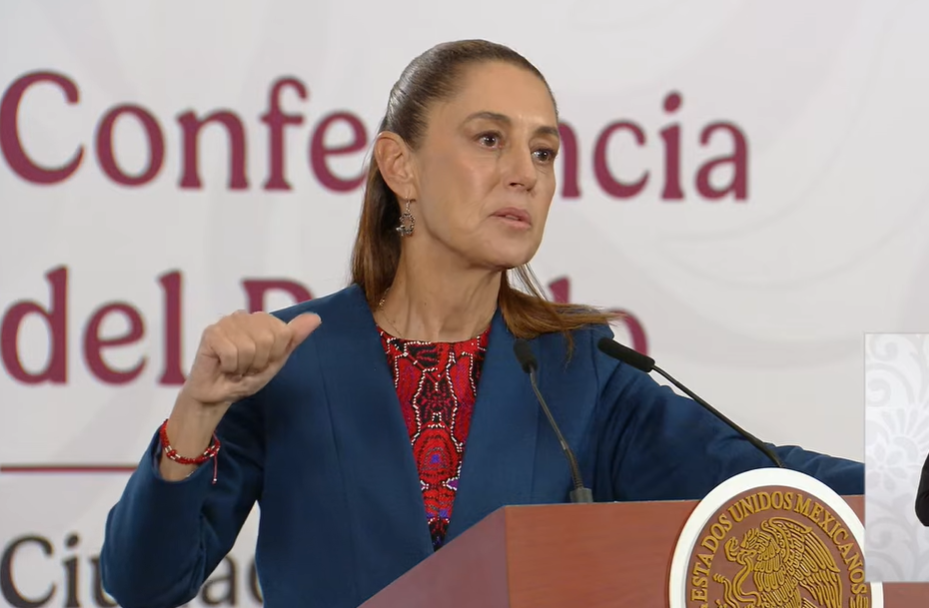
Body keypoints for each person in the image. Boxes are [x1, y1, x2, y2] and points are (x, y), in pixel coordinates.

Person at [99, 39, 863, 608]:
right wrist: (196, 414)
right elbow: (144, 585)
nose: (524, 173)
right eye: (489, 139)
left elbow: (757, 475)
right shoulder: (288, 358)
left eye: (544, 151)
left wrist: (906, 486)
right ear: (400, 167)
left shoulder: (577, 367)